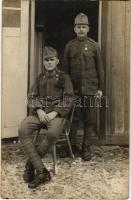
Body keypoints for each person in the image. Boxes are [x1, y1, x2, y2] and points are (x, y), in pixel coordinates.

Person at [18, 46, 74, 188]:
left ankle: (31, 165)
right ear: (43, 62)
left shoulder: (63, 77)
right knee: (23, 129)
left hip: (56, 115)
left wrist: (55, 112)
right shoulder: (40, 78)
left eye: (52, 59)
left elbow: (69, 99)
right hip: (40, 114)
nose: (49, 62)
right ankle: (42, 171)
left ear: (57, 61)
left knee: (52, 133)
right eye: (46, 60)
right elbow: (31, 97)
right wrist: (38, 110)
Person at [63, 13, 104, 161]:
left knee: (90, 120)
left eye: (84, 27)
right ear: (74, 29)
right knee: (74, 119)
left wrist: (100, 89)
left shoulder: (94, 46)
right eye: (78, 27)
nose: (81, 29)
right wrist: (67, 91)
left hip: (91, 91)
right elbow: (65, 71)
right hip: (74, 91)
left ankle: (86, 148)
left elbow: (100, 69)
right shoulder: (70, 46)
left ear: (88, 29)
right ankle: (72, 147)